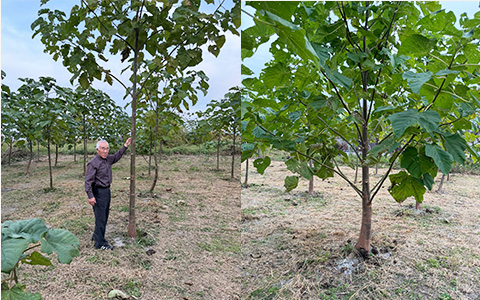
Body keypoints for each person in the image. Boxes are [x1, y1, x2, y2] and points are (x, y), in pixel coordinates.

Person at [85, 137, 131, 250]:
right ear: (97, 150)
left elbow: (117, 156)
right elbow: (88, 182)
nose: (105, 151)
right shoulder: (93, 163)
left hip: (106, 191)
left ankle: (96, 235)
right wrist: (90, 196)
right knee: (101, 218)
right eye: (103, 148)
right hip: (98, 192)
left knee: (104, 216)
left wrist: (125, 146)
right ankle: (100, 243)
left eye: (107, 148)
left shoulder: (107, 159)